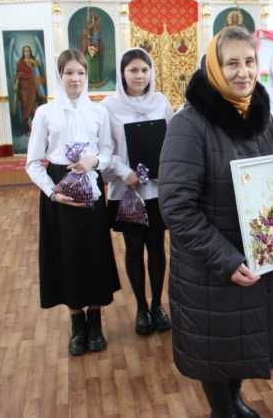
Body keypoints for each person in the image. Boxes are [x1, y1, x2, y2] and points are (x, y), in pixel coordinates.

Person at [158, 26, 273, 418]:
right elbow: (177, 207)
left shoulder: (261, 116)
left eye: (249, 61)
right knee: (215, 346)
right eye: (232, 63)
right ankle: (223, 409)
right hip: (211, 265)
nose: (243, 72)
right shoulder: (189, 124)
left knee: (241, 341)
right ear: (213, 67)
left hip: (256, 257)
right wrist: (226, 259)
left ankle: (233, 400)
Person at [25, 48, 120, 357]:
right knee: (67, 255)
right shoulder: (45, 113)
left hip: (91, 186)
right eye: (69, 72)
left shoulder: (99, 112)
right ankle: (77, 324)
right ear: (59, 75)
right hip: (59, 190)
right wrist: (53, 192)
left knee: (93, 254)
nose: (75, 78)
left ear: (86, 75)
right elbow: (33, 163)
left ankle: (96, 322)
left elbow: (107, 151)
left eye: (80, 72)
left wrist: (95, 160)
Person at [102, 48, 174, 335]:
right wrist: (124, 172)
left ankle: (157, 305)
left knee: (156, 246)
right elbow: (105, 150)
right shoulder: (109, 107)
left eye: (144, 70)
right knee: (134, 247)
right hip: (127, 191)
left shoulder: (161, 102)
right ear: (122, 73)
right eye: (133, 70)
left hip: (156, 189)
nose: (140, 75)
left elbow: (172, 140)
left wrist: (165, 166)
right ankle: (141, 308)